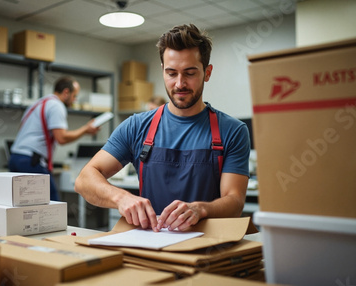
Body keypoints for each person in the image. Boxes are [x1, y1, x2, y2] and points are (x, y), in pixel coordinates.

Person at [75, 24, 250, 232]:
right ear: (162, 71)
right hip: (150, 244)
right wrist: (121, 197)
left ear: (207, 72)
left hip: (206, 247)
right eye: (171, 73)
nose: (179, 83)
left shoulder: (232, 131)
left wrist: (200, 209)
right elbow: (84, 179)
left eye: (190, 73)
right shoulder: (136, 126)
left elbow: (235, 201)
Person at [9, 76, 99, 201]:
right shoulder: (56, 106)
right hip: (31, 161)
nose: (74, 100)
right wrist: (85, 130)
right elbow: (61, 138)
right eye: (74, 96)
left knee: (22, 205)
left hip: (15, 158)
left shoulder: (38, 103)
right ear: (66, 92)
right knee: (51, 204)